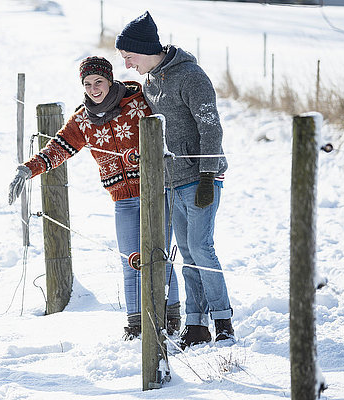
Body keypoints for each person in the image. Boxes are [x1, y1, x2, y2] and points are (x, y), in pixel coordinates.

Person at [8, 56, 181, 340]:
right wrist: (28, 169)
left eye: (98, 81)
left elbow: (167, 131)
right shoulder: (83, 121)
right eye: (87, 84)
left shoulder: (139, 102)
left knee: (160, 256)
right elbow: (57, 149)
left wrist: (152, 154)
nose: (93, 88)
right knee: (132, 261)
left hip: (155, 192)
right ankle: (136, 324)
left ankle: (170, 316)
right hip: (123, 200)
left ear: (110, 79)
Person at [116, 11, 235, 349]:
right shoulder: (152, 81)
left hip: (200, 178)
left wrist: (208, 176)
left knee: (201, 247)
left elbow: (210, 126)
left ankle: (223, 321)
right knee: (185, 252)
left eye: (129, 57)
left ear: (143, 49)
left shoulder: (191, 77)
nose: (127, 64)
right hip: (172, 181)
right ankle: (196, 325)